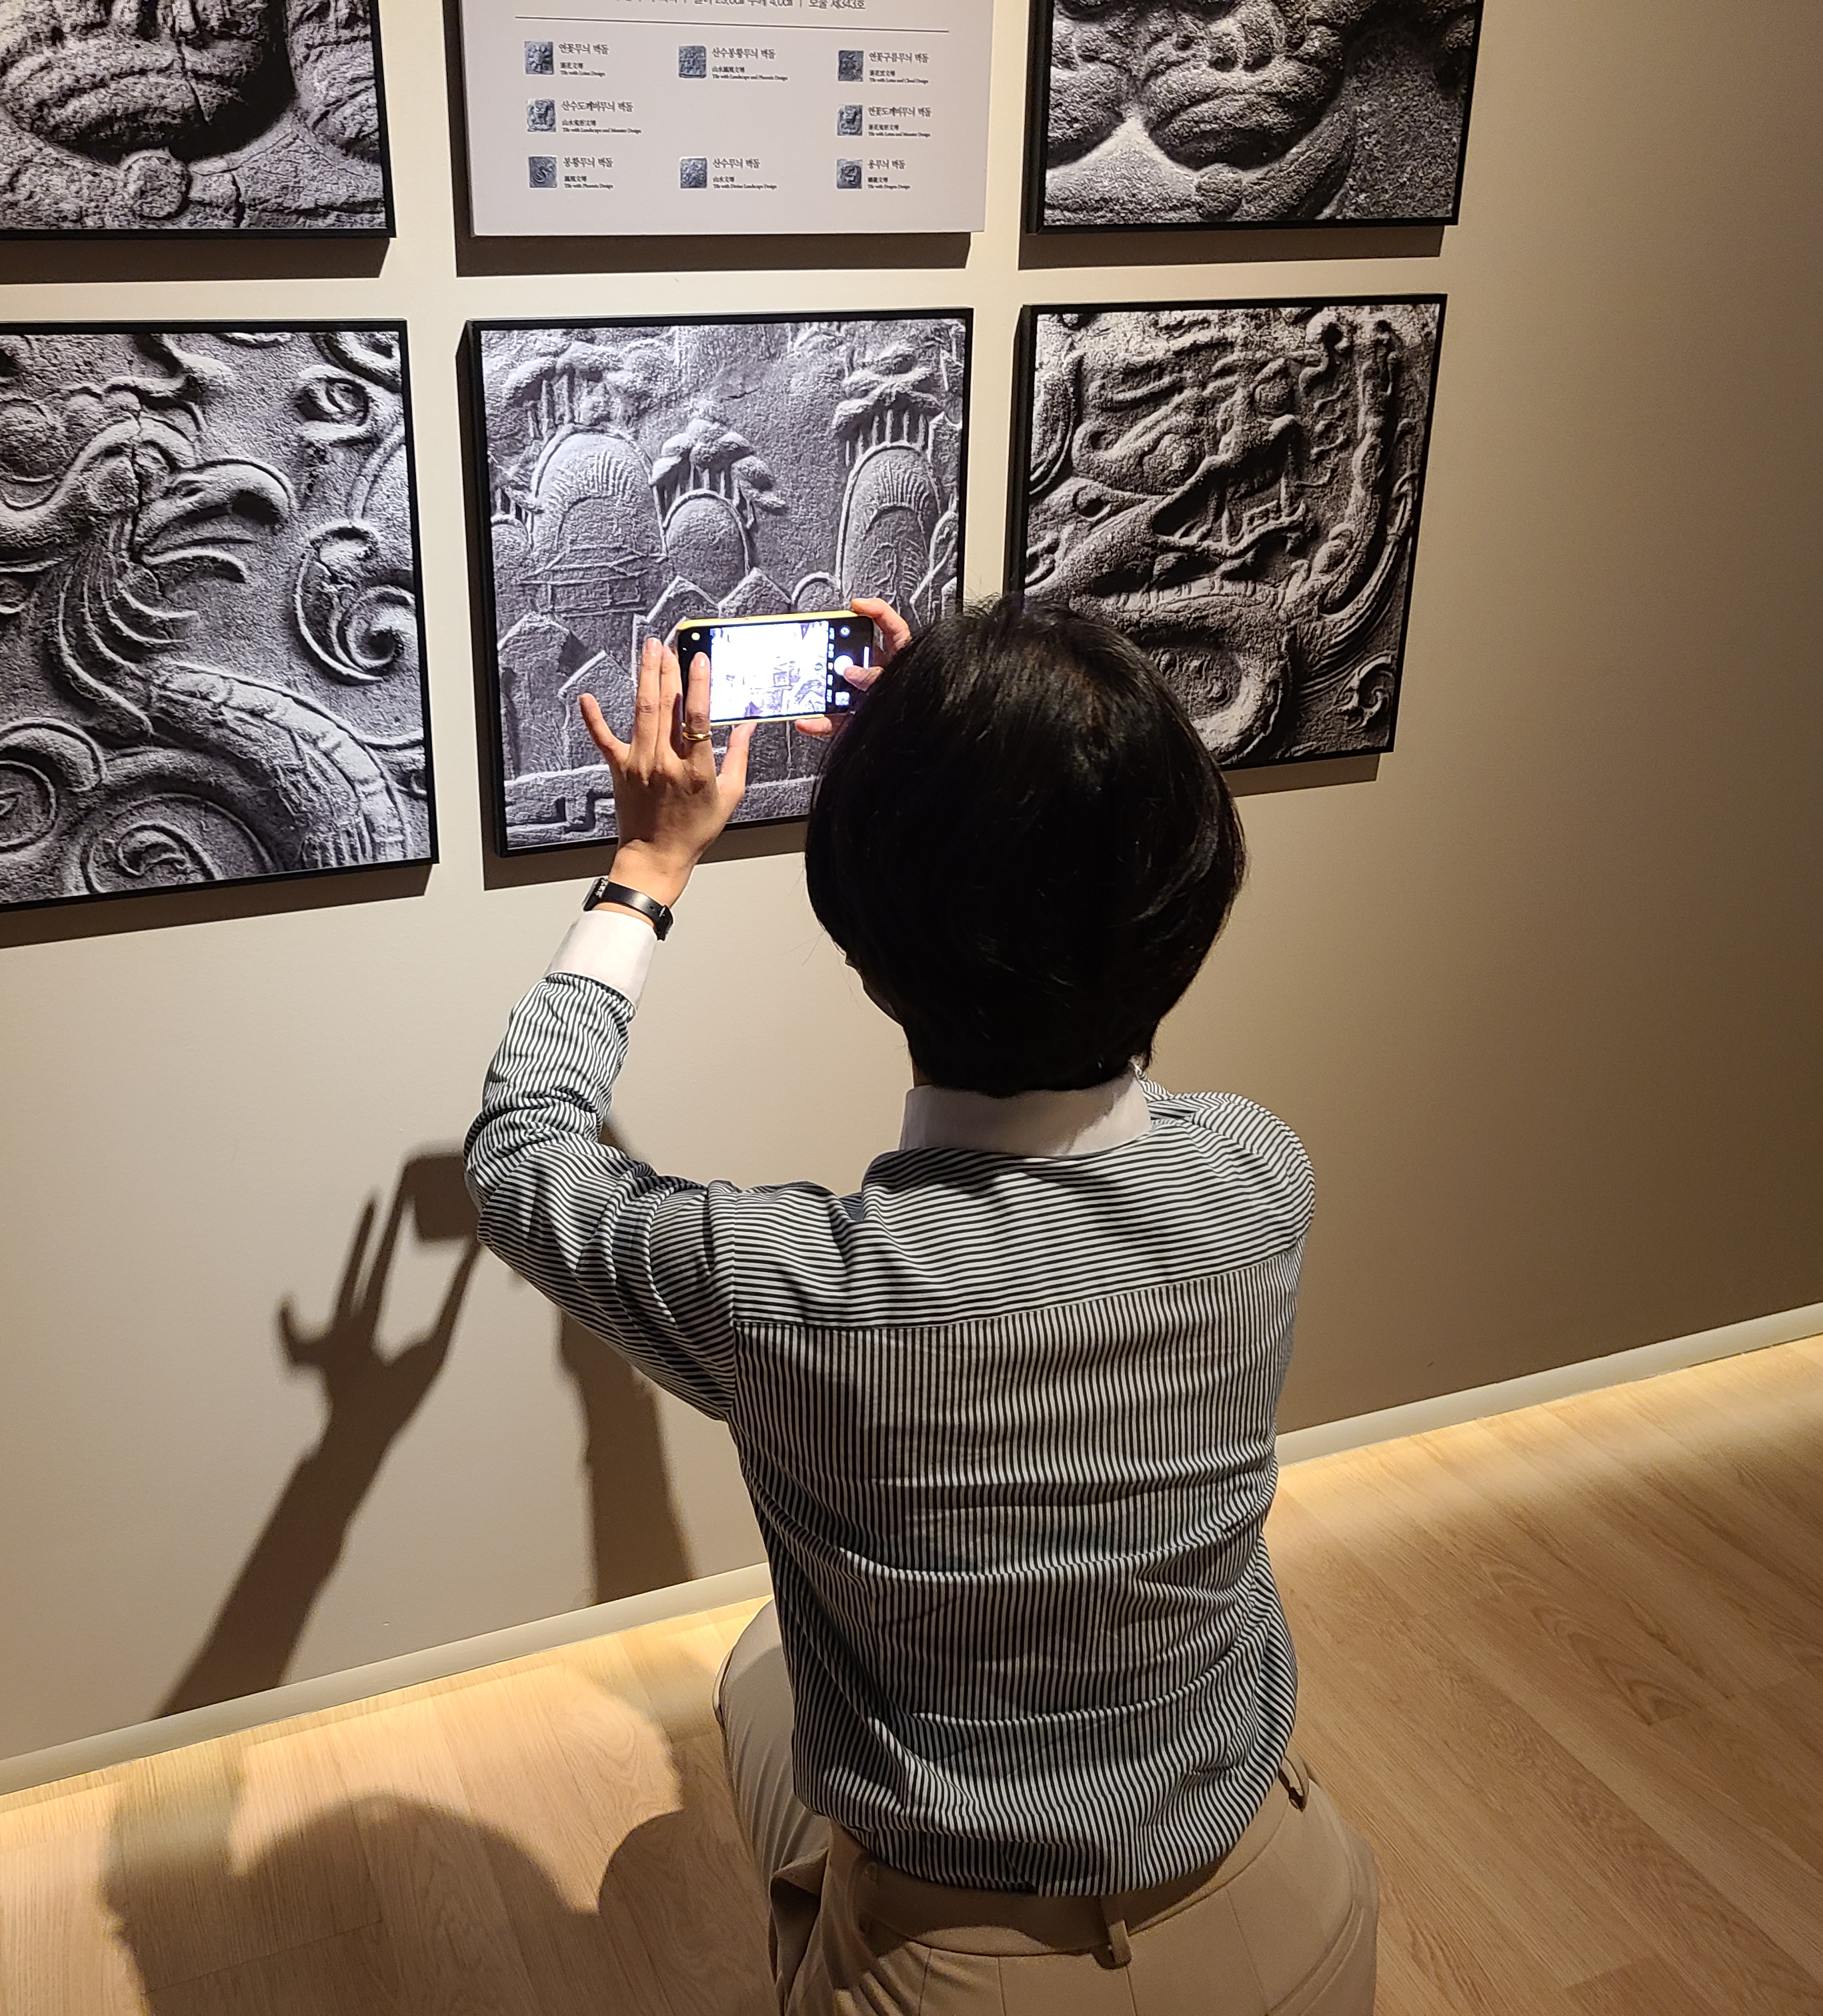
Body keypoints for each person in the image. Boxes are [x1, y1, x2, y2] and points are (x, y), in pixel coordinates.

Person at [463, 595, 1378, 2013]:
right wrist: (965, 781)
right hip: (1294, 1902)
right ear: (1192, 904)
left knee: (759, 1671)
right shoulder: (1259, 1178)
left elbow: (524, 1156)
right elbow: (1089, 975)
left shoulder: (793, 1297)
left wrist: (648, 865)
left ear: (860, 932)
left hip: (955, 1976)